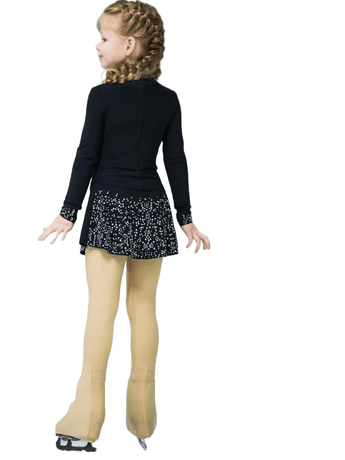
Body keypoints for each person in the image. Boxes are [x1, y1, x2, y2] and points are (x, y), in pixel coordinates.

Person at [37, 0, 210, 452]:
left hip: (110, 205)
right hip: (152, 207)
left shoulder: (102, 96)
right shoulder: (168, 99)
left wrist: (68, 211)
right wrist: (185, 217)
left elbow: (87, 155)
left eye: (104, 37)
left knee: (101, 310)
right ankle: (142, 420)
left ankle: (83, 423)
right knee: (144, 309)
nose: (97, 45)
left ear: (129, 45)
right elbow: (175, 159)